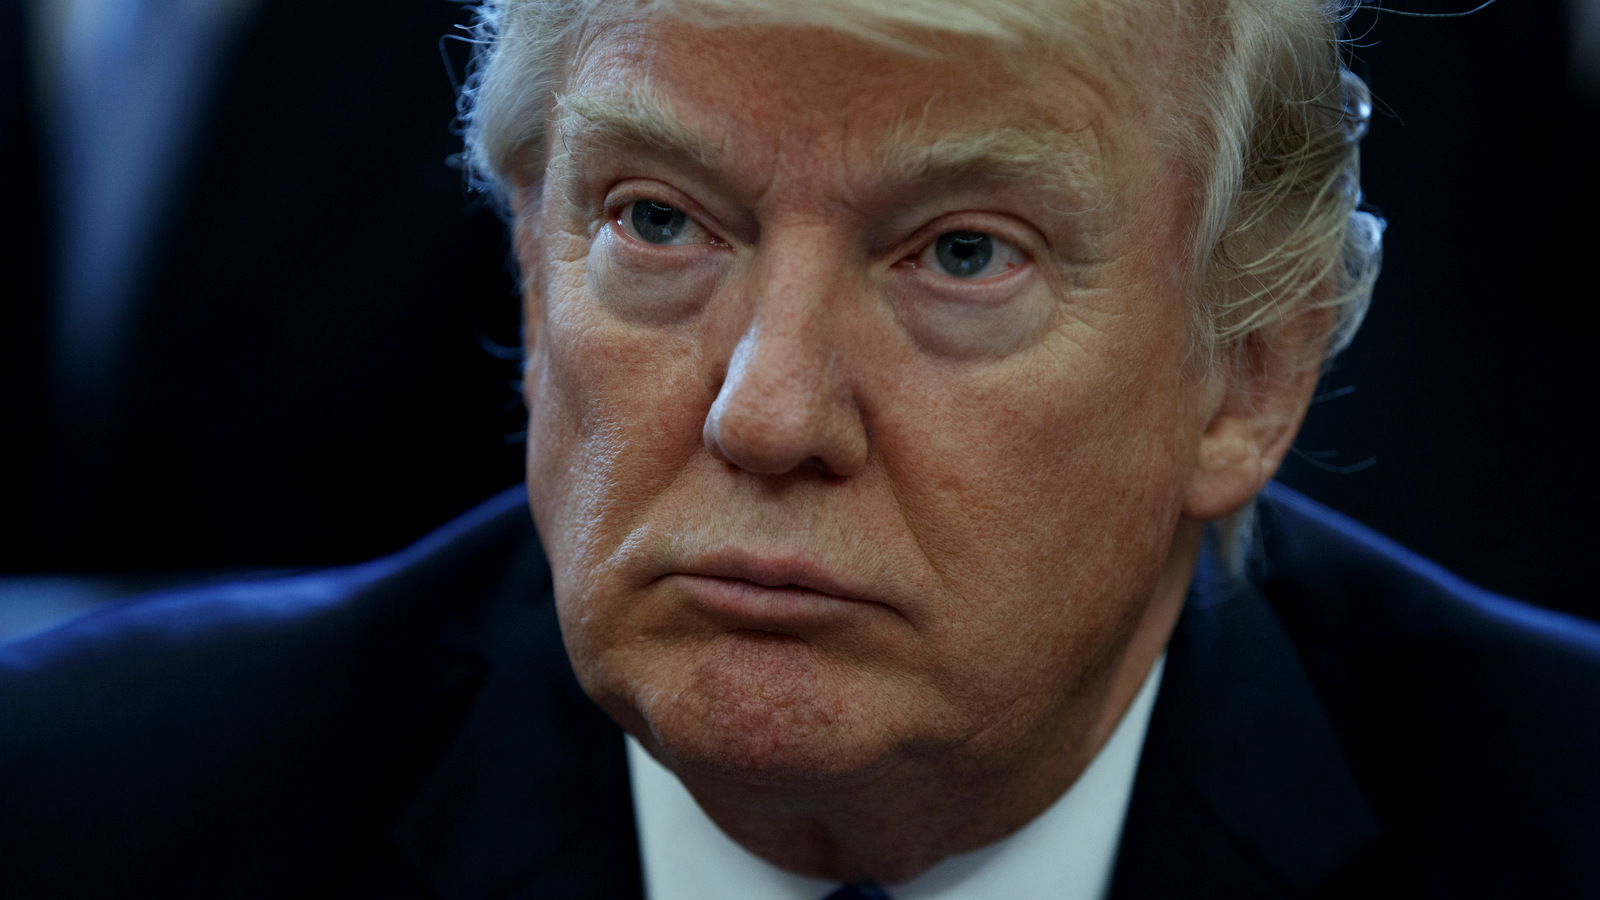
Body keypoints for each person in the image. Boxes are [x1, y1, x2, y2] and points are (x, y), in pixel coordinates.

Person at [2, 0, 1597, 897]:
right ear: (526, 263)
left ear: (1248, 375)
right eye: (657, 221)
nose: (764, 413)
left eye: (964, 255)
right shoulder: (89, 820)